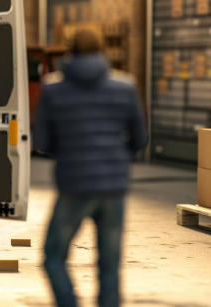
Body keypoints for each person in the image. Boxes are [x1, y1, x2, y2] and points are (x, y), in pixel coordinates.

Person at [34, 30, 148, 307]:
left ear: (70, 53)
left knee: (53, 256)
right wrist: (117, 156)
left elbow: (42, 143)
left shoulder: (52, 88)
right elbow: (140, 138)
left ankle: (69, 302)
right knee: (109, 264)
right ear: (101, 51)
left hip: (74, 185)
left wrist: (68, 150)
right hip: (113, 187)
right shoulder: (124, 86)